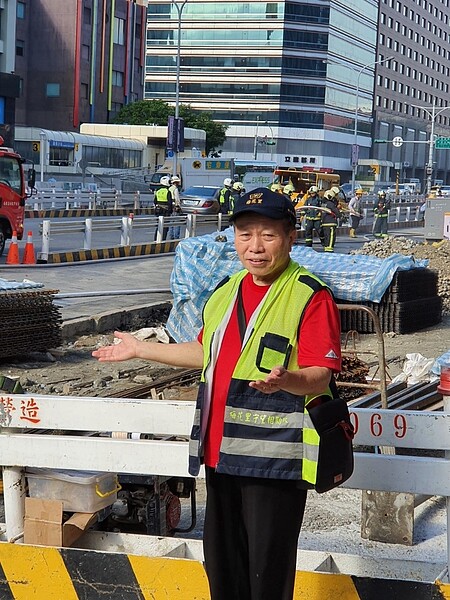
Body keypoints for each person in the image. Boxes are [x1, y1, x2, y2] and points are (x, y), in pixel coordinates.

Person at [92, 187, 341, 600]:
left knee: (266, 576)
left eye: (268, 235)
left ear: (291, 237)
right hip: (220, 454)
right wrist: (140, 349)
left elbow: (321, 375)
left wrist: (286, 380)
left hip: (272, 462)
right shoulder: (226, 292)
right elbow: (204, 352)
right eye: (245, 235)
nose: (255, 247)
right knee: (223, 571)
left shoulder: (309, 295)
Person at [153, 176, 173, 241]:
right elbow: (170, 203)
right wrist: (170, 211)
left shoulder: (158, 191)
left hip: (158, 211)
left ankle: (156, 239)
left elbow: (155, 201)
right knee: (165, 227)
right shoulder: (168, 191)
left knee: (158, 226)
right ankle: (163, 239)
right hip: (166, 212)